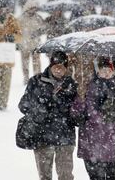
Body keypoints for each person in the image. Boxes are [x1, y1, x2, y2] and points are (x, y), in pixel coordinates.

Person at [18, 51, 77, 180]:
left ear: (66, 67)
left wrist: (68, 103)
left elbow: (77, 109)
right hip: (42, 134)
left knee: (66, 176)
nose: (58, 68)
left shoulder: (71, 84)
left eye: (61, 66)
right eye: (55, 65)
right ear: (50, 65)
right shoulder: (36, 81)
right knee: (44, 176)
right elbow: (23, 105)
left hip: (65, 135)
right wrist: (42, 105)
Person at [71, 57, 115, 180]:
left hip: (111, 141)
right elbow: (79, 110)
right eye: (103, 70)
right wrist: (80, 103)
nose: (106, 73)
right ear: (98, 72)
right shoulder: (87, 87)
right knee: (95, 176)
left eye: (109, 70)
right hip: (91, 139)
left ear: (113, 72)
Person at [18, 0, 45, 84]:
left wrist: (38, 32)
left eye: (34, 8)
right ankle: (26, 77)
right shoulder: (21, 18)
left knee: (36, 62)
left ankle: (37, 78)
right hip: (24, 44)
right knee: (25, 63)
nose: (33, 10)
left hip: (35, 44)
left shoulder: (38, 18)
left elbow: (44, 28)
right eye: (32, 8)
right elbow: (17, 30)